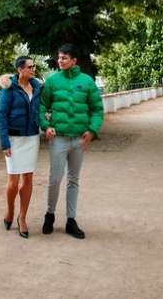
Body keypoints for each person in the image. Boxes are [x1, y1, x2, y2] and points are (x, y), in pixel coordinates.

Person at [39, 43, 104, 239]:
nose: (60, 60)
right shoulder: (51, 81)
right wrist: (45, 125)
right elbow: (42, 106)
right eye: (59, 57)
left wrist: (92, 130)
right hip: (58, 139)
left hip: (78, 140)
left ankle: (71, 220)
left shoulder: (87, 81)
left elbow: (97, 109)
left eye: (64, 58)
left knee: (73, 180)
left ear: (74, 61)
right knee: (55, 179)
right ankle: (49, 215)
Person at [0, 55, 43, 239]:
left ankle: (22, 217)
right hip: (14, 139)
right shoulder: (9, 89)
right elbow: (1, 116)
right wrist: (4, 143)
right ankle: (10, 210)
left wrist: (45, 117)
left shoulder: (38, 87)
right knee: (13, 181)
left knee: (28, 178)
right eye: (30, 67)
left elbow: (40, 109)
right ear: (19, 70)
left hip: (32, 138)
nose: (33, 70)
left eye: (34, 67)